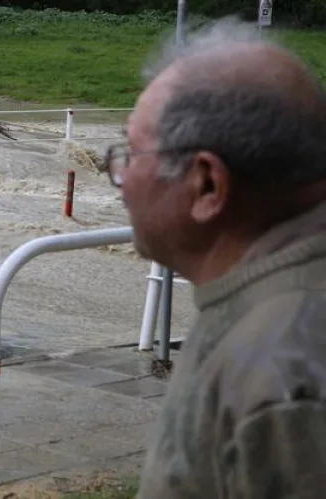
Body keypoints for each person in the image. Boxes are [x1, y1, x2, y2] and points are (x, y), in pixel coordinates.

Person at [103, 17, 326, 498]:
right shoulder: (262, 299)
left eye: (132, 154)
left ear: (207, 184)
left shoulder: (282, 383)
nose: (119, 177)